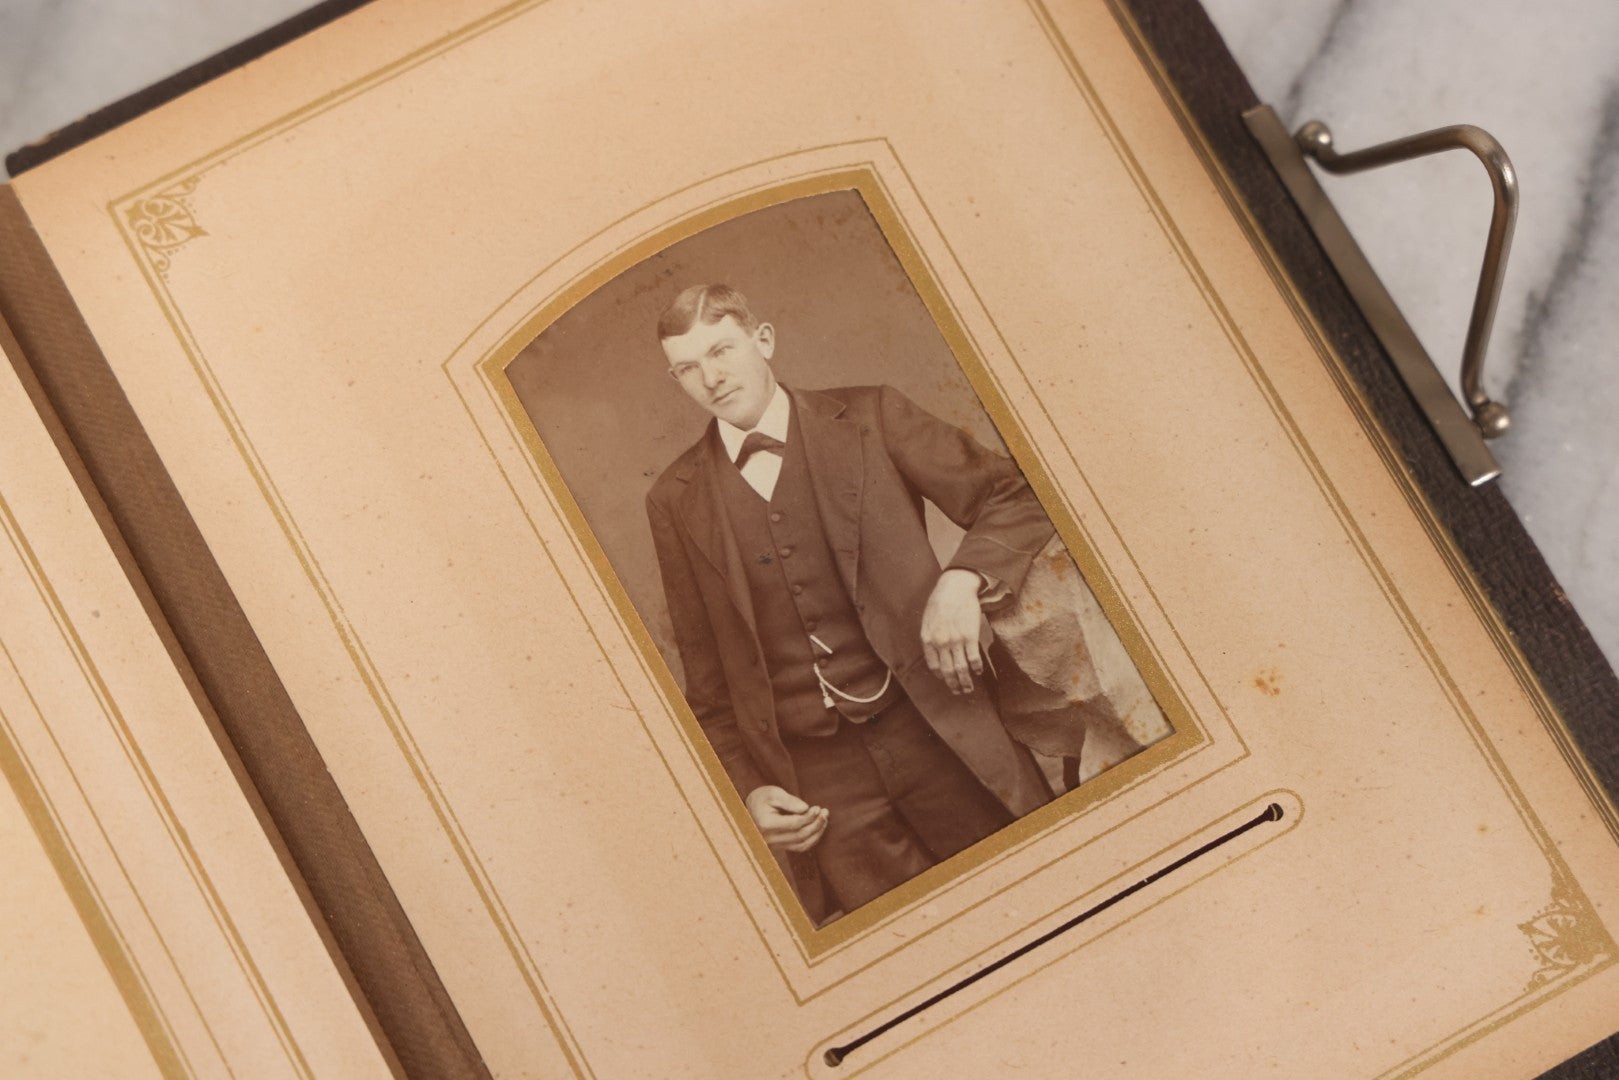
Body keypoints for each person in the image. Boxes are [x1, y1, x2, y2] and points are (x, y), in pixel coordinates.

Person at [645, 283, 1058, 924]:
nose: (712, 378)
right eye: (688, 368)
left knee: (1039, 904)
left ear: (763, 340)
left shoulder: (873, 417)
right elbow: (708, 689)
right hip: (822, 794)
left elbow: (1019, 494)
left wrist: (963, 580)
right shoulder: (673, 499)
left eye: (722, 350)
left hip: (941, 732)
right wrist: (750, 792)